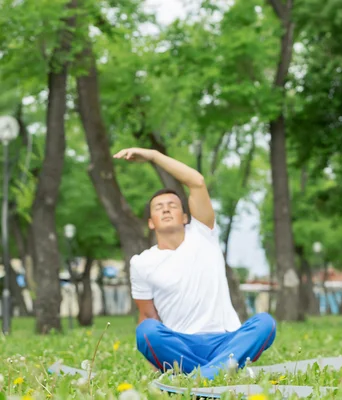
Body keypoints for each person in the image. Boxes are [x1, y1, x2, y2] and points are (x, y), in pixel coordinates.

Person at [114, 147, 276, 380]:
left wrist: (153, 156)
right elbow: (148, 316)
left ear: (185, 217)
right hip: (182, 346)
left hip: (225, 340)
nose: (166, 209)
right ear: (151, 222)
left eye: (173, 205)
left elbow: (197, 182)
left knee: (265, 323)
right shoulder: (142, 263)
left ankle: (199, 378)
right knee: (146, 331)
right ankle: (220, 372)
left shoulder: (202, 233)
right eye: (159, 208)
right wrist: (154, 361)